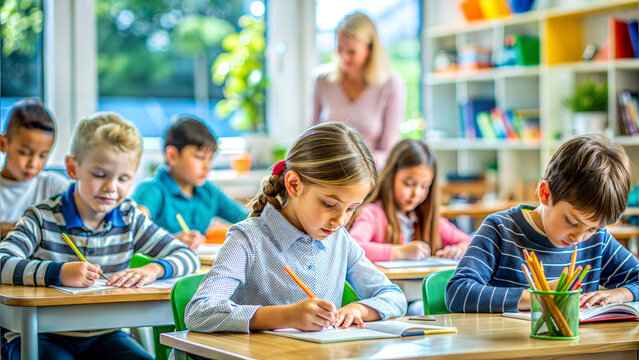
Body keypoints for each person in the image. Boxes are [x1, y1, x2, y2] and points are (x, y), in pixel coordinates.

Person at [0, 112, 199, 360]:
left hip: (106, 333)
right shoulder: (42, 218)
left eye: (123, 178)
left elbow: (186, 255)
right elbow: (2, 261)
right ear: (73, 168)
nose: (111, 188)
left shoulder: (129, 218)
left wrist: (152, 270)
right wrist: (59, 273)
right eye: (99, 174)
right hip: (41, 334)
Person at [184, 122, 406, 333]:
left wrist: (360, 309)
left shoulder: (340, 241)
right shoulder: (248, 239)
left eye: (351, 209)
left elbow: (394, 297)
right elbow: (199, 311)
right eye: (329, 204)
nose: (340, 221)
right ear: (294, 185)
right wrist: (285, 317)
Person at [446, 135, 639, 313]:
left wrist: (619, 294)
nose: (578, 238)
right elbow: (457, 293)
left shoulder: (598, 240)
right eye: (572, 221)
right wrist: (539, 297)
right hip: (512, 347)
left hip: (578, 348)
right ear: (545, 194)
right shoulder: (500, 230)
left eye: (592, 228)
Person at [133, 116, 249, 250]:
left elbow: (248, 219)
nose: (208, 166)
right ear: (172, 156)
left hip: (197, 267)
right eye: (200, 157)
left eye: (210, 158)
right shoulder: (152, 190)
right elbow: (133, 231)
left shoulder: (209, 192)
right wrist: (170, 240)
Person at [349, 139, 471, 262]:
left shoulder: (428, 219)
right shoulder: (372, 214)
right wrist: (400, 252)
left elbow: (472, 242)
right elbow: (351, 249)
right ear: (390, 176)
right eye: (409, 183)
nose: (416, 194)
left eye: (424, 186)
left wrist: (459, 249)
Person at [311, 11, 405, 165]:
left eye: (351, 51)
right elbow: (311, 137)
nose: (344, 57)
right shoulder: (321, 80)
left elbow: (390, 151)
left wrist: (354, 163)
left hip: (369, 176)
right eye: (339, 48)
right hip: (326, 174)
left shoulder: (391, 84)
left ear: (369, 50)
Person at [0, 98, 69, 238]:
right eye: (24, 153)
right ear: (2, 144)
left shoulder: (54, 187)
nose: (33, 164)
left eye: (43, 156)